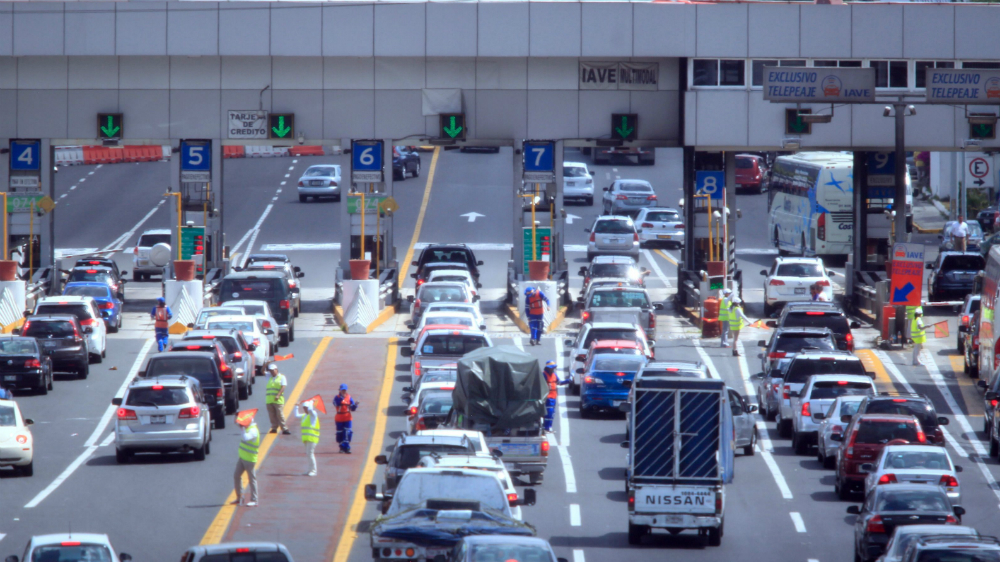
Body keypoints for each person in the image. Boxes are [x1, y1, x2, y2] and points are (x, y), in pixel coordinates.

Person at [233, 411, 259, 507]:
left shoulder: (253, 431)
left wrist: (242, 428)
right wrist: (237, 417)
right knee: (236, 476)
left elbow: (245, 437)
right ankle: (239, 497)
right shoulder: (248, 427)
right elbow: (237, 423)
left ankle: (254, 499)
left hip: (250, 459)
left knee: (252, 479)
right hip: (243, 457)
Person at [294, 399, 320, 477]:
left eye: (306, 407)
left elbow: (310, 409)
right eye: (303, 408)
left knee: (310, 453)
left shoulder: (313, 414)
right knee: (308, 454)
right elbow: (296, 415)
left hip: (312, 438)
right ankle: (309, 470)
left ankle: (314, 470)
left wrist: (311, 402)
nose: (305, 409)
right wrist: (296, 406)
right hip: (306, 438)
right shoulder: (304, 416)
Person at [542, 360, 569, 433]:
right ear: (547, 368)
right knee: (549, 412)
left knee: (552, 413)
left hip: (553, 397)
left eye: (553, 368)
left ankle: (549, 427)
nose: (552, 369)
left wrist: (568, 380)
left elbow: (559, 382)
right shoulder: (543, 375)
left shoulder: (554, 375)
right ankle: (546, 427)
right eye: (551, 368)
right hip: (547, 397)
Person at [264, 363, 290, 435]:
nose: (272, 372)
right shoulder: (269, 377)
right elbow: (262, 371)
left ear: (276, 370)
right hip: (269, 400)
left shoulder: (282, 377)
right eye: (270, 371)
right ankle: (274, 428)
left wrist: (278, 395)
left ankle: (284, 428)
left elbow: (283, 386)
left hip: (278, 400)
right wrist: (265, 364)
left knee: (280, 415)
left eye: (273, 370)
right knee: (272, 415)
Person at [334, 383, 358, 453]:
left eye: (344, 390)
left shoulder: (349, 397)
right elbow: (336, 403)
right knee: (340, 433)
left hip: (348, 418)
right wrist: (342, 400)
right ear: (340, 390)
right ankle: (341, 447)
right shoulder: (337, 397)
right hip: (339, 418)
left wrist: (355, 405)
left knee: (348, 432)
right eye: (342, 390)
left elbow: (353, 408)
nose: (343, 391)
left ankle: (347, 447)